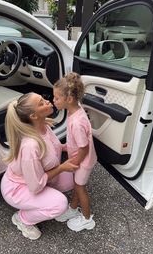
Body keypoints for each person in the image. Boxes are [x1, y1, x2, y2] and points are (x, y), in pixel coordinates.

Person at [0, 92, 78, 240]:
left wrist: (65, 147)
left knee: (72, 179)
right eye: (42, 103)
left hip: (38, 177)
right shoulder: (30, 145)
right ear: (34, 116)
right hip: (19, 188)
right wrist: (61, 168)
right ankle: (23, 218)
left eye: (44, 99)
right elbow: (35, 186)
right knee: (60, 204)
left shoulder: (43, 125)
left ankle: (43, 200)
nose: (48, 101)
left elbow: (51, 148)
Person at [53, 72, 97, 232]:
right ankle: (73, 208)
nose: (53, 100)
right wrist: (66, 146)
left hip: (83, 161)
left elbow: (84, 147)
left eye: (57, 98)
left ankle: (87, 218)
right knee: (78, 186)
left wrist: (76, 163)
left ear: (69, 99)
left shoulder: (77, 122)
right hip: (81, 157)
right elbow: (77, 142)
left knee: (80, 188)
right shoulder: (75, 112)